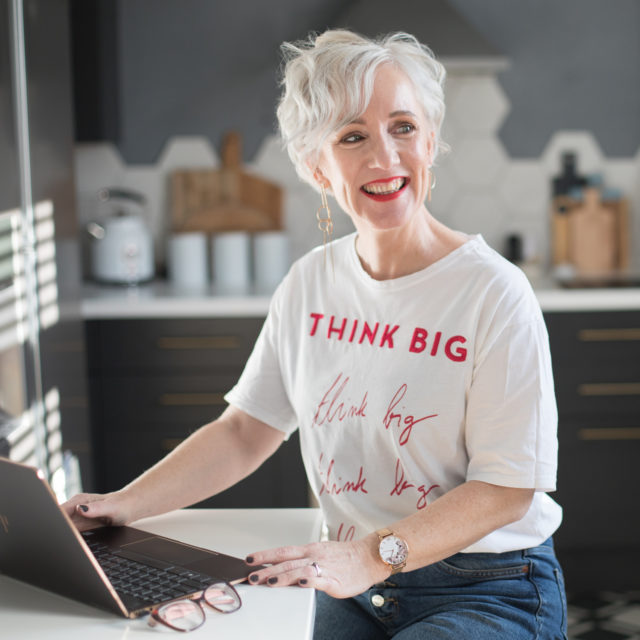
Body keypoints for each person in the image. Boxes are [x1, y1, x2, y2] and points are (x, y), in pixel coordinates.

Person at [63, 29, 567, 639]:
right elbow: (246, 430)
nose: (384, 156)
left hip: (489, 587)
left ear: (430, 142)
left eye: (403, 127)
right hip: (349, 584)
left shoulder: (493, 292)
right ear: (316, 167)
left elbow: (506, 490)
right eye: (353, 136)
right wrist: (123, 503)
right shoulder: (310, 285)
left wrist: (368, 556)